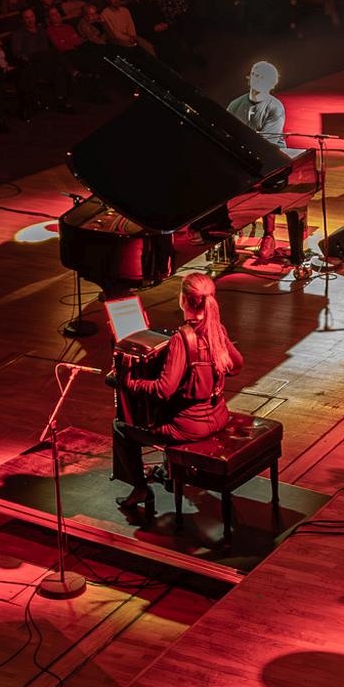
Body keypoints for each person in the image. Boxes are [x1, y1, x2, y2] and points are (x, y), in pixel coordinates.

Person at [106, 271, 245, 522]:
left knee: (121, 427)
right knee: (168, 411)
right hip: (218, 416)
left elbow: (163, 390)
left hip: (189, 428)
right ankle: (168, 471)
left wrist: (128, 382)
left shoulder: (183, 338)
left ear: (184, 300)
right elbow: (236, 366)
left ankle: (140, 489)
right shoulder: (217, 329)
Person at [231, 61, 293, 262]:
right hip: (241, 157)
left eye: (263, 77)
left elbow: (269, 143)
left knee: (267, 179)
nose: (257, 80)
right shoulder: (235, 105)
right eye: (255, 75)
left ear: (272, 83)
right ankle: (228, 227)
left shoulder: (275, 107)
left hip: (268, 158)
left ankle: (269, 234)